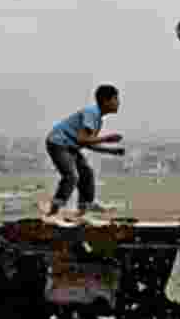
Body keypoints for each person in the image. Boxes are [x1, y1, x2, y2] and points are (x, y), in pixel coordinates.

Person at [40, 85, 124, 222]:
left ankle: (83, 210)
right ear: (105, 100)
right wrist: (107, 139)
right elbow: (82, 139)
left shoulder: (97, 119)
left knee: (87, 173)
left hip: (70, 146)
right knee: (71, 176)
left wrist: (111, 151)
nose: (118, 102)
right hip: (58, 143)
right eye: (115, 98)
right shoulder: (92, 113)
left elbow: (88, 142)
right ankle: (52, 212)